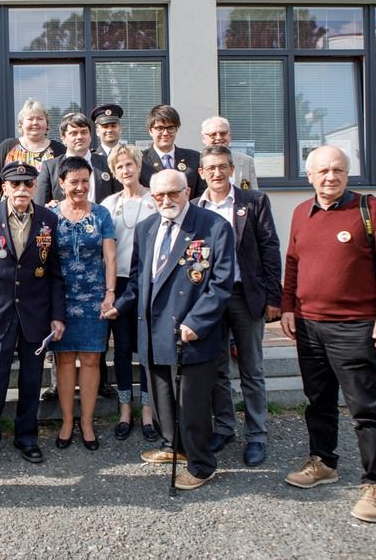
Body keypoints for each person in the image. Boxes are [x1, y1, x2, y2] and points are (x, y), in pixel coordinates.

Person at [280, 145, 376, 523]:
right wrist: (287, 306)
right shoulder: (302, 213)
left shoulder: (369, 208)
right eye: (323, 171)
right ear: (310, 176)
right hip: (309, 325)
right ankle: (323, 462)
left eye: (338, 170)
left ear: (347, 174)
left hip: (354, 325)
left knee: (364, 407)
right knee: (317, 400)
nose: (330, 177)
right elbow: (293, 262)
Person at [108, 169, 234, 491]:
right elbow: (138, 280)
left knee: (191, 406)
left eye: (173, 193)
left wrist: (197, 322)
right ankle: (173, 447)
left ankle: (202, 465)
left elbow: (219, 286)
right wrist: (120, 306)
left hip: (189, 332)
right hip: (152, 332)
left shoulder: (213, 227)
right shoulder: (148, 227)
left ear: (187, 190)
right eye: (159, 195)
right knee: (163, 400)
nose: (166, 200)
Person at [0, 162, 65, 468]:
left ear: (35, 187)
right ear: (4, 187)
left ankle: (27, 438)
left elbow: (55, 273)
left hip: (35, 312)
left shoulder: (49, 218)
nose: (22, 189)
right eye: (15, 184)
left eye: (28, 184)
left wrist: (57, 315)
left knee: (31, 379)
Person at [196, 145, 281, 467]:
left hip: (246, 296)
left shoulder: (254, 202)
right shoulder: (194, 208)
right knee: (217, 368)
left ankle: (257, 435)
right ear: (201, 173)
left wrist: (275, 298)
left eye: (222, 166)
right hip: (209, 302)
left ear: (232, 169)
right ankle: (225, 427)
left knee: (251, 369)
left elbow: (270, 248)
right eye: (210, 168)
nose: (216, 173)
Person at [46, 156, 116, 451]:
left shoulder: (102, 214)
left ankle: (86, 422)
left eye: (85, 181)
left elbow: (110, 256)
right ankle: (66, 421)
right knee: (63, 359)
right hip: (59, 298)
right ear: (61, 184)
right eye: (73, 181)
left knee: (89, 359)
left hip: (93, 298)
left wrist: (110, 293)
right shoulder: (49, 215)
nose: (80, 187)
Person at [100, 145, 158, 441]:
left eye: (130, 165)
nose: (126, 170)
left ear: (139, 166)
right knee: (121, 349)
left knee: (146, 349)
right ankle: (125, 409)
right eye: (119, 166)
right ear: (114, 171)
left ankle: (148, 412)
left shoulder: (155, 199)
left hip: (149, 286)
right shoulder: (109, 203)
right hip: (120, 284)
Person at [0, 99, 66, 199]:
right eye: (30, 119)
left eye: (40, 118)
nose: (35, 122)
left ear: (47, 123)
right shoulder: (7, 147)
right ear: (21, 124)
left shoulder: (59, 150)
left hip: (47, 213)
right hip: (9, 213)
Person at [36, 113, 119, 206]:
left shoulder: (108, 163)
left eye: (84, 132)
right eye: (74, 133)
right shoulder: (50, 168)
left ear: (90, 136)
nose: (79, 137)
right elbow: (40, 206)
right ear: (63, 138)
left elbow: (120, 199)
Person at [142, 105, 206, 197]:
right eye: (159, 128)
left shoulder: (195, 158)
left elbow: (201, 195)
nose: (165, 133)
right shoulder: (141, 160)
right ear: (150, 131)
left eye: (170, 128)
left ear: (177, 129)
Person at [200, 116, 258, 190]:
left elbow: (254, 194)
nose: (218, 138)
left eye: (223, 133)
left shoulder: (246, 161)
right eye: (213, 134)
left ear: (229, 135)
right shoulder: (196, 160)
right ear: (203, 138)